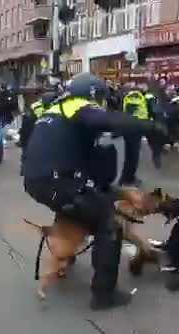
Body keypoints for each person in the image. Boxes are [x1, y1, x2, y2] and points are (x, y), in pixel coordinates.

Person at [22, 73, 167, 310]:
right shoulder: (76, 106)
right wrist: (150, 127)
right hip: (58, 182)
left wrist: (115, 192)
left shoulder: (55, 112)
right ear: (93, 96)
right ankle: (104, 296)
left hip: (43, 181)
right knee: (107, 224)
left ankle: (66, 256)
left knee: (87, 206)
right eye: (101, 99)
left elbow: (89, 169)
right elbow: (110, 121)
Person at [121, 84, 159, 185]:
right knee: (134, 156)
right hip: (137, 128)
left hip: (127, 127)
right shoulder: (145, 98)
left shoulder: (126, 97)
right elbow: (153, 111)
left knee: (129, 155)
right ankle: (129, 179)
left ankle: (125, 178)